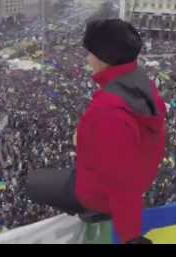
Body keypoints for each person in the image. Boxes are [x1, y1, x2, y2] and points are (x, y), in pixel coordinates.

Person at [27, 19, 166, 243]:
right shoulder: (142, 86)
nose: (87, 59)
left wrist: (131, 237)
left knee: (32, 184)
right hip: (140, 177)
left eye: (90, 52)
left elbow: (122, 183)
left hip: (100, 194)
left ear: (105, 58)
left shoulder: (108, 110)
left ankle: (94, 211)